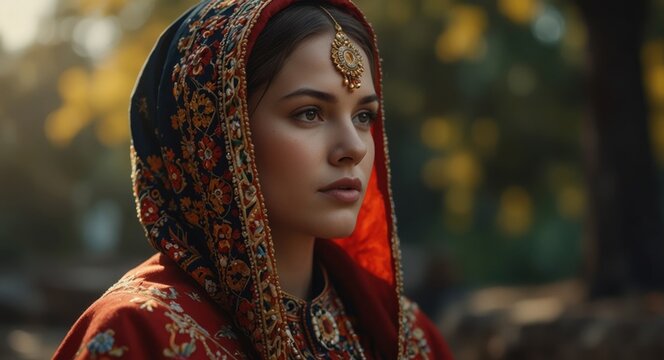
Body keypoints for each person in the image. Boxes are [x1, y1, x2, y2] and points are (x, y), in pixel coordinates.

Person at [53, 0, 452, 358]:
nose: (355, 147)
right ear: (216, 133)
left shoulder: (404, 336)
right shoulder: (141, 334)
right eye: (309, 113)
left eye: (363, 116)